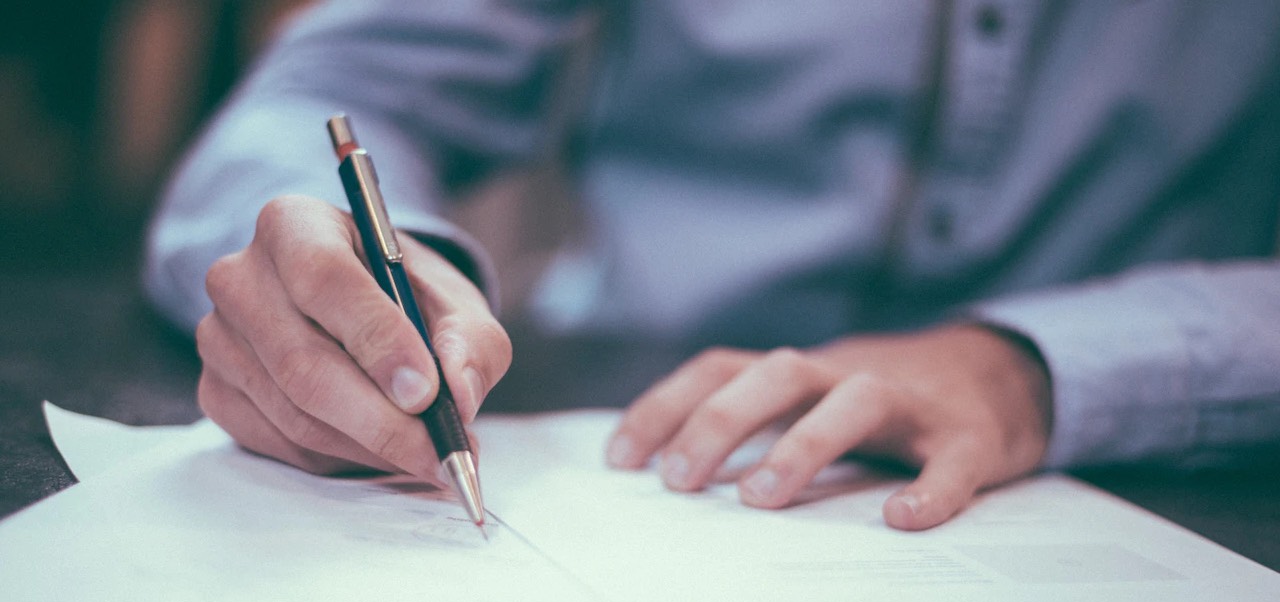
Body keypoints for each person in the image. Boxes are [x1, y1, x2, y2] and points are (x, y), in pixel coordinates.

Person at [144, 1, 1280, 530]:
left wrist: (1030, 367)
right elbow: (326, 94)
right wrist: (345, 282)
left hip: (1151, 477)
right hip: (626, 434)